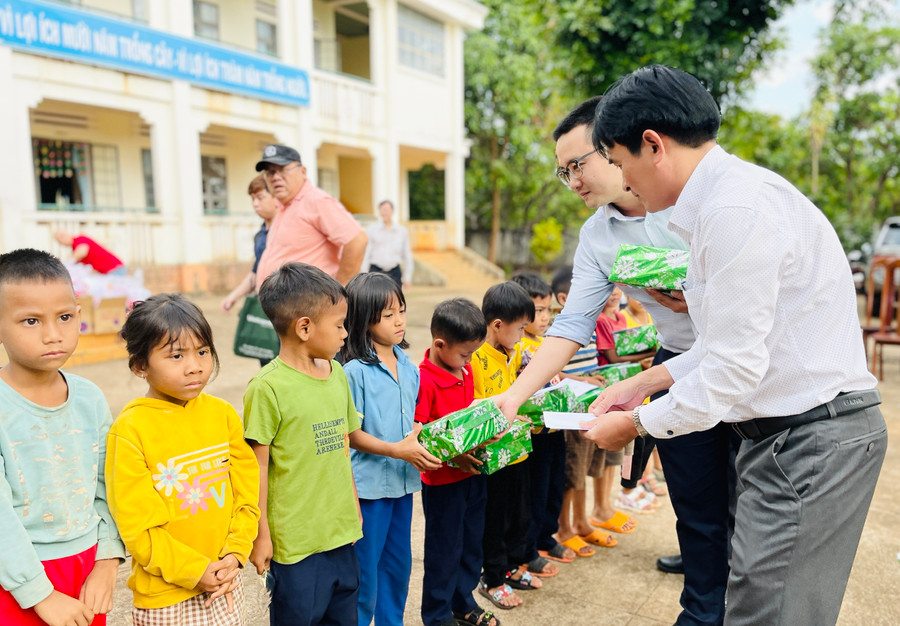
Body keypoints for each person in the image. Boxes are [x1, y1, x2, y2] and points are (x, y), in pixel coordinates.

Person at [588, 64, 886, 625]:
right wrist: (641, 383)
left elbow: (731, 370)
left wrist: (636, 425)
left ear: (652, 144)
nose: (624, 181)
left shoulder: (733, 212)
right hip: (792, 438)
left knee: (765, 615)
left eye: (620, 162)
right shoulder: (722, 204)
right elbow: (730, 343)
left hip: (809, 439)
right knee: (762, 606)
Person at [493, 95, 736, 626]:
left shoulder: (696, 202)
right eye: (563, 173)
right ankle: (700, 607)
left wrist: (699, 298)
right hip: (673, 362)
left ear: (614, 146)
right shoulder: (598, 235)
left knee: (744, 497)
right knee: (694, 499)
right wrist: (514, 397)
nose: (573, 179)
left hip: (739, 354)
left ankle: (734, 596)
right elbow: (572, 324)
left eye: (578, 163)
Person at [107, 294, 261, 625]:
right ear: (140, 366)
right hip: (166, 598)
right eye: (176, 355)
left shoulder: (222, 415)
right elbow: (138, 529)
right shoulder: (131, 429)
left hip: (224, 583)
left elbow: (247, 496)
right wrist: (195, 571)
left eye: (202, 351)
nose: (195, 366)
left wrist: (236, 553)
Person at [0, 248, 125, 626]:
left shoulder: (89, 398)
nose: (53, 334)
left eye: (64, 317)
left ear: (79, 317)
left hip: (86, 571)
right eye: (31, 321)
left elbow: (107, 486)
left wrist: (106, 560)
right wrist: (40, 594)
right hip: (16, 577)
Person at [243, 263, 363, 625]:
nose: (345, 333)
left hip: (341, 534)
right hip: (295, 547)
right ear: (305, 327)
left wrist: (353, 506)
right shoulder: (267, 388)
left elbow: (343, 447)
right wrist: (260, 536)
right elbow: (257, 468)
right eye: (339, 324)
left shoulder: (338, 373)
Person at [341, 272, 441, 625]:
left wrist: (419, 434)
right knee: (364, 576)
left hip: (403, 484)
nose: (399, 320)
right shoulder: (353, 371)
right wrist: (396, 450)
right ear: (364, 320)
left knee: (398, 569)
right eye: (388, 315)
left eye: (401, 310)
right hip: (368, 489)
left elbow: (412, 420)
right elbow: (350, 434)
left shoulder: (410, 368)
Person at [415, 298, 495, 626]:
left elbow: (468, 418)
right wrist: (454, 457)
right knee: (443, 551)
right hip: (442, 483)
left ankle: (463, 602)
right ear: (439, 344)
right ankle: (436, 615)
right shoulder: (424, 379)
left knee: (470, 546)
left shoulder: (464, 369)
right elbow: (420, 435)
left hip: (472, 474)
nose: (470, 361)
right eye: (465, 354)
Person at [472, 281, 538, 611]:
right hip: (494, 456)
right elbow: (479, 410)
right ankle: (493, 578)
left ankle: (512, 566)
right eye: (520, 328)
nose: (524, 336)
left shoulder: (511, 354)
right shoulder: (476, 359)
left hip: (518, 450)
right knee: (494, 519)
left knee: (519, 513)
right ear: (498, 325)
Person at [509, 272, 576, 575]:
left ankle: (546, 537)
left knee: (553, 485)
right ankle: (529, 547)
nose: (545, 317)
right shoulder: (518, 347)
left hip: (555, 427)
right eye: (538, 311)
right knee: (533, 493)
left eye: (548, 309)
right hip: (534, 431)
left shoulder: (547, 343)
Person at [254, 144, 368, 286]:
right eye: (270, 172)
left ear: (302, 171)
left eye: (282, 169)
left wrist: (341, 293)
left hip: (309, 305)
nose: (276, 177)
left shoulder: (315, 200)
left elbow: (356, 240)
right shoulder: (284, 207)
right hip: (282, 305)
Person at [221, 174, 279, 313]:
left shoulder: (290, 229)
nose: (255, 204)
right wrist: (234, 296)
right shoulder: (260, 235)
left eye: (260, 198)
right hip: (267, 305)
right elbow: (256, 272)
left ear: (276, 197)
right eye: (253, 199)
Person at [362, 200, 415, 290]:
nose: (384, 212)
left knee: (395, 301)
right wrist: (363, 275)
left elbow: (407, 254)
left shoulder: (402, 231)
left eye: (387, 209)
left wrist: (407, 277)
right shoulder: (371, 230)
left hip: (394, 272)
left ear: (392, 211)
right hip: (375, 271)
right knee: (375, 301)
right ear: (379, 212)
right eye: (382, 210)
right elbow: (366, 254)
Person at [53, 231, 125, 275]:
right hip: (106, 272)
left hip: (114, 269)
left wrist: (67, 263)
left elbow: (82, 252)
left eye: (59, 241)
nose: (61, 244)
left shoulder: (80, 239)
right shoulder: (75, 248)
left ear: (62, 237)